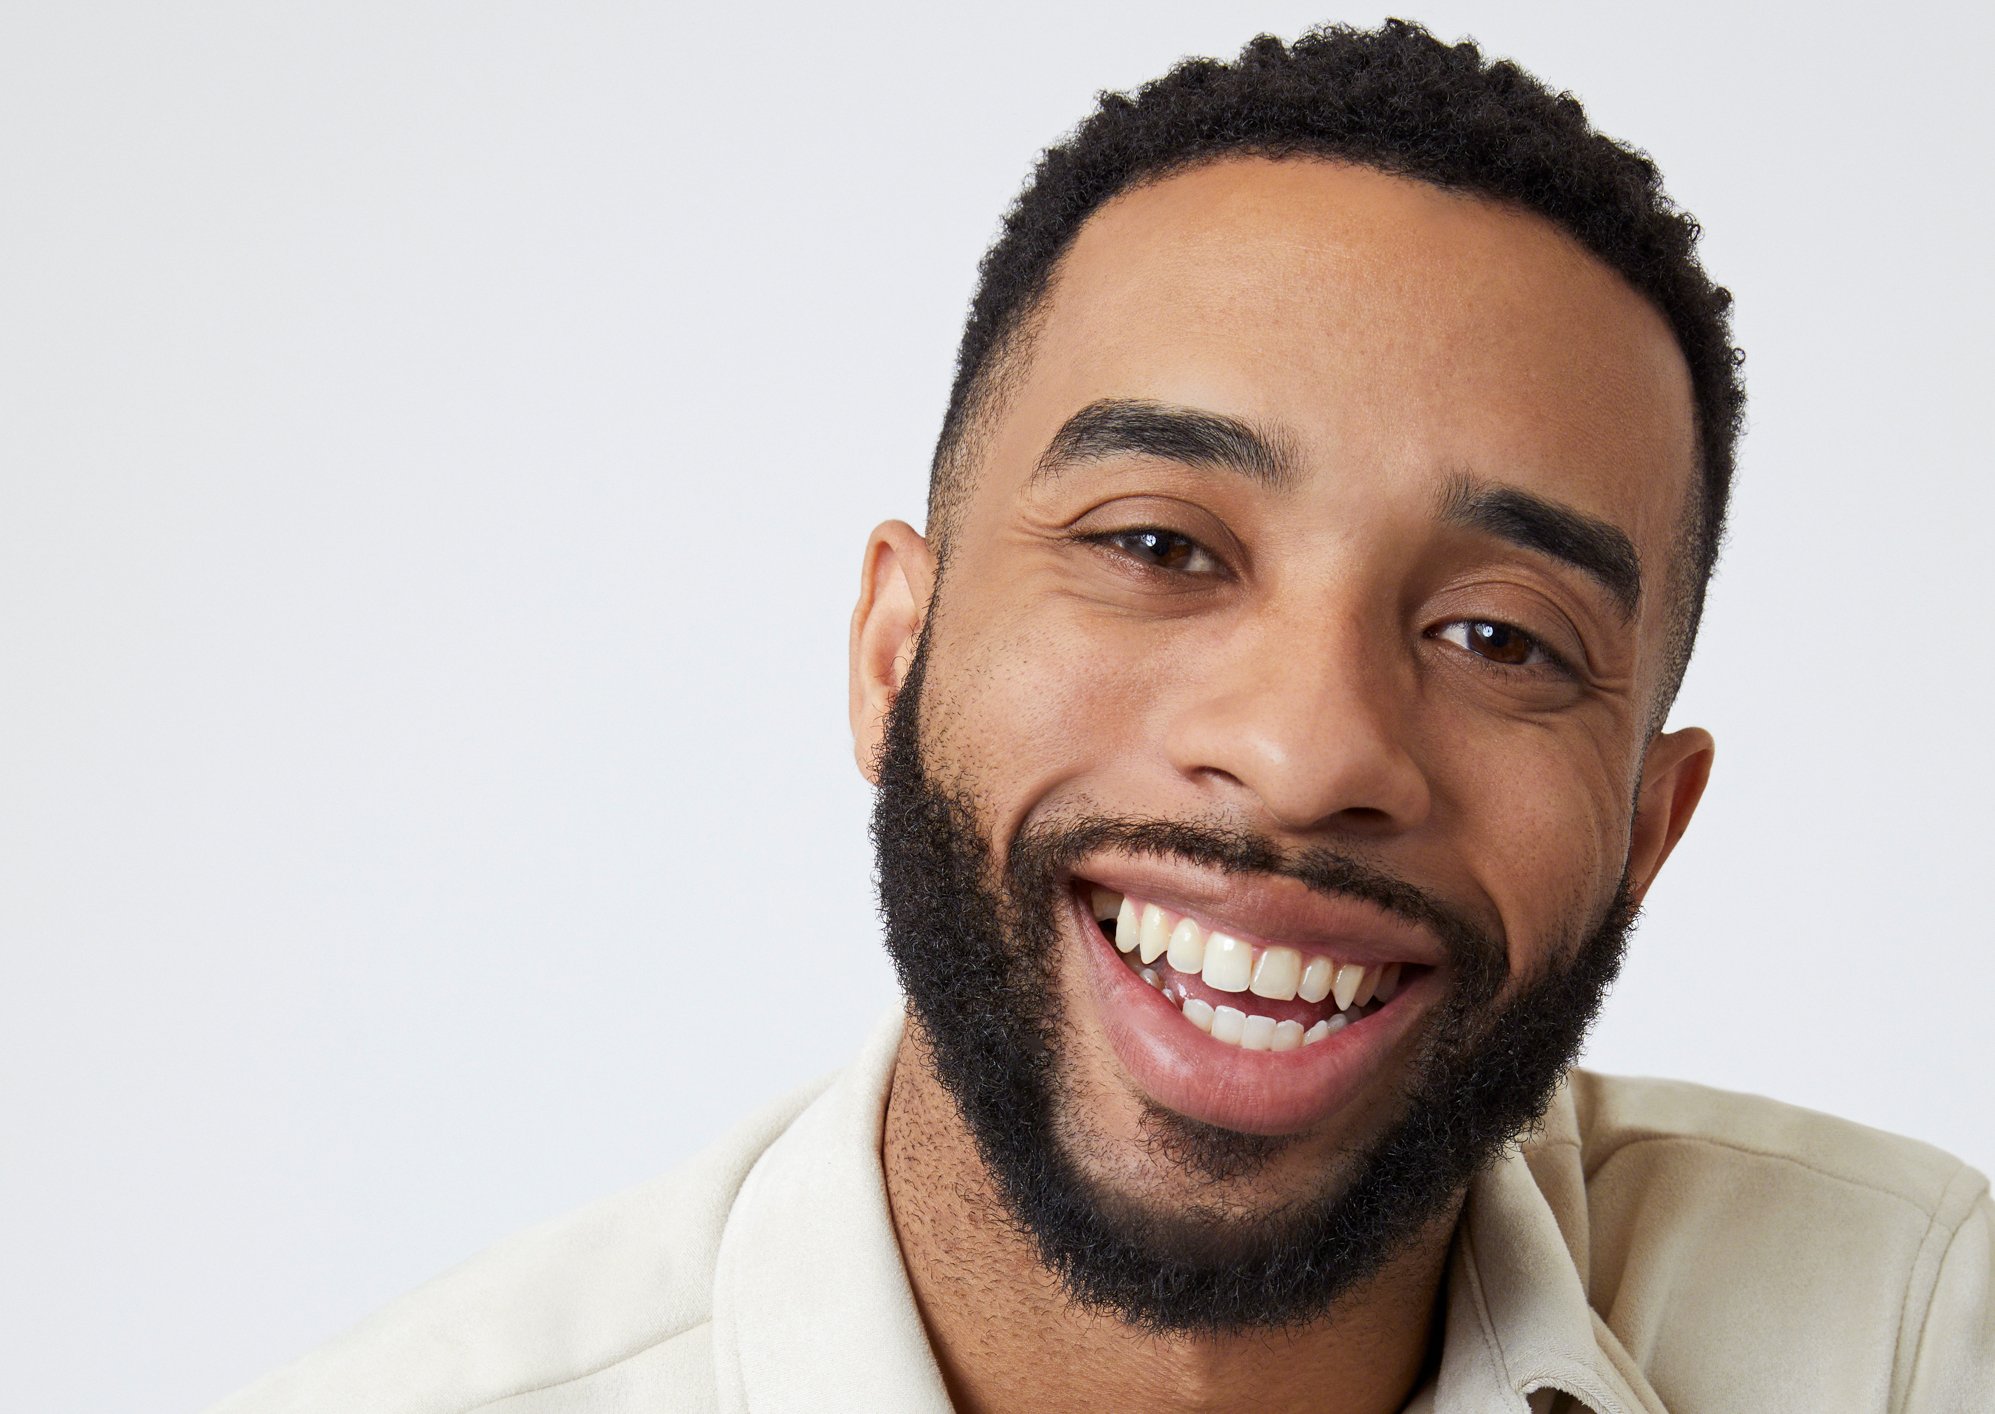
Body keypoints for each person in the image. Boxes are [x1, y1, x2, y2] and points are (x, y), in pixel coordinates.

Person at [210, 21, 1993, 1413]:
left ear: (1643, 833)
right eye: (1159, 544)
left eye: (1500, 638)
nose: (1307, 752)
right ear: (893, 651)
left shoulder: (1915, 1348)